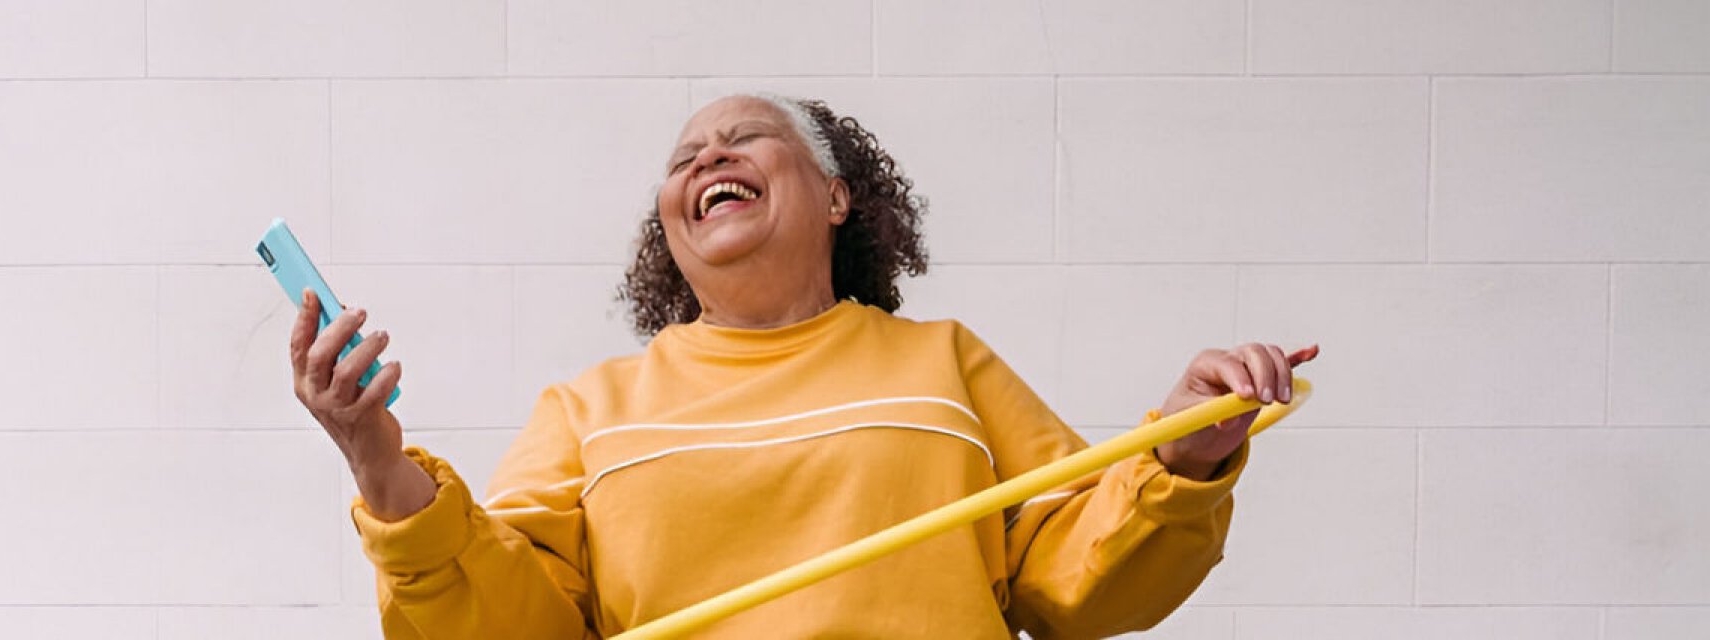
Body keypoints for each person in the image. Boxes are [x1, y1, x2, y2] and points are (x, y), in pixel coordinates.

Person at [288, 94, 1316, 639]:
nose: (705, 161)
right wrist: (382, 464)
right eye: (685, 157)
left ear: (834, 196)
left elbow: (1079, 587)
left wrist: (1182, 459)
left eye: (744, 139)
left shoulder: (943, 363)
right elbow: (513, 632)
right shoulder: (593, 406)